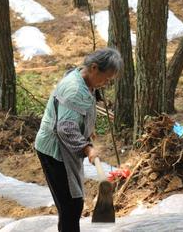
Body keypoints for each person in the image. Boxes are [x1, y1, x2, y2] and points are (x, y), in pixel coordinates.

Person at [35, 48, 123, 232]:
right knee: (71, 205)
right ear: (93, 67)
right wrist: (87, 149)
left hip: (64, 145)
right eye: (105, 78)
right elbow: (65, 127)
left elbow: (76, 114)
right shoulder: (74, 89)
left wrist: (87, 130)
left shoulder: (85, 79)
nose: (105, 84)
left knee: (72, 202)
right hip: (54, 150)